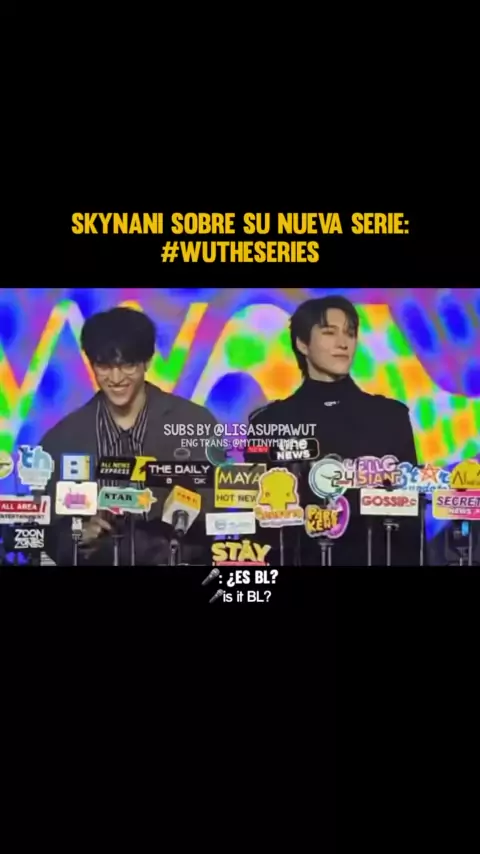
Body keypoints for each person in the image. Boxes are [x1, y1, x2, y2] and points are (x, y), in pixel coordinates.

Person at [246, 295, 422, 567]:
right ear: (302, 344)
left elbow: (411, 517)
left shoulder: (390, 417)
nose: (343, 343)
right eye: (329, 333)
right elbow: (259, 523)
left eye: (350, 334)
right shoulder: (269, 422)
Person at [39, 307, 218, 568]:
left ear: (147, 362)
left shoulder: (195, 424)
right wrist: (80, 536)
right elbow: (50, 534)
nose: (116, 378)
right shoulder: (62, 440)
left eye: (128, 365)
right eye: (104, 366)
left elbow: (213, 517)